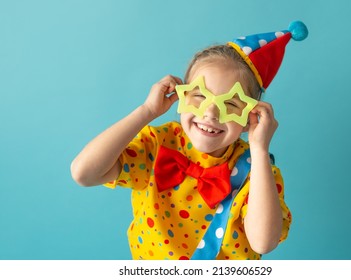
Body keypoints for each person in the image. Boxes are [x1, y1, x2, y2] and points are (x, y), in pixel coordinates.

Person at [71, 21, 308, 260]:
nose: (211, 114)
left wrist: (259, 150)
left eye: (230, 104)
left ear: (250, 118)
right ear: (180, 96)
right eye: (198, 96)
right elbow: (84, 173)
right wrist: (147, 111)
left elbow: (263, 243)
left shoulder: (257, 171)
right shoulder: (157, 143)